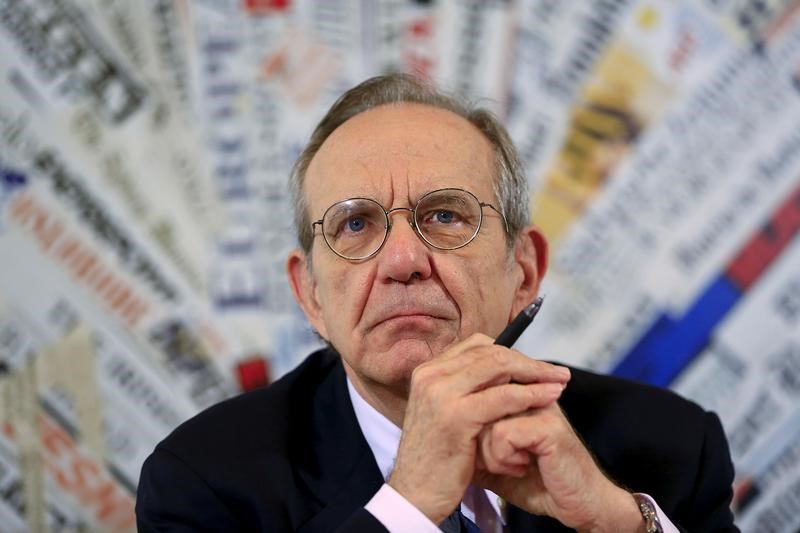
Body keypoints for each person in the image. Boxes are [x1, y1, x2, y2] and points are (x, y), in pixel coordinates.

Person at [136, 74, 738, 532]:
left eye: (445, 215)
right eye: (356, 226)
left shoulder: (673, 446)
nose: (403, 261)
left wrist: (621, 525)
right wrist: (408, 505)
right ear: (311, 295)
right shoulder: (204, 483)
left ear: (523, 271)